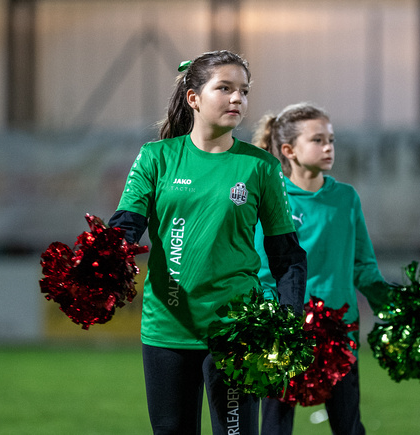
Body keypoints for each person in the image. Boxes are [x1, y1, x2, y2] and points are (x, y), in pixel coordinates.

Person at [108, 51, 307, 435]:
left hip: (237, 331)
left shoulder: (260, 166)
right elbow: (125, 227)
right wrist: (99, 264)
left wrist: (287, 319)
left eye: (244, 91)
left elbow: (288, 257)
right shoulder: (156, 158)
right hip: (167, 328)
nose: (237, 99)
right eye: (225, 88)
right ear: (193, 98)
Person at [253, 103, 389, 435]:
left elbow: (363, 267)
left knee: (348, 426)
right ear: (289, 150)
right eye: (317, 140)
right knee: (274, 425)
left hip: (339, 330)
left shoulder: (346, 198)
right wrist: (278, 318)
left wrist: (399, 304)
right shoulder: (271, 196)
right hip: (286, 329)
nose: (328, 147)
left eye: (331, 139)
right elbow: (263, 270)